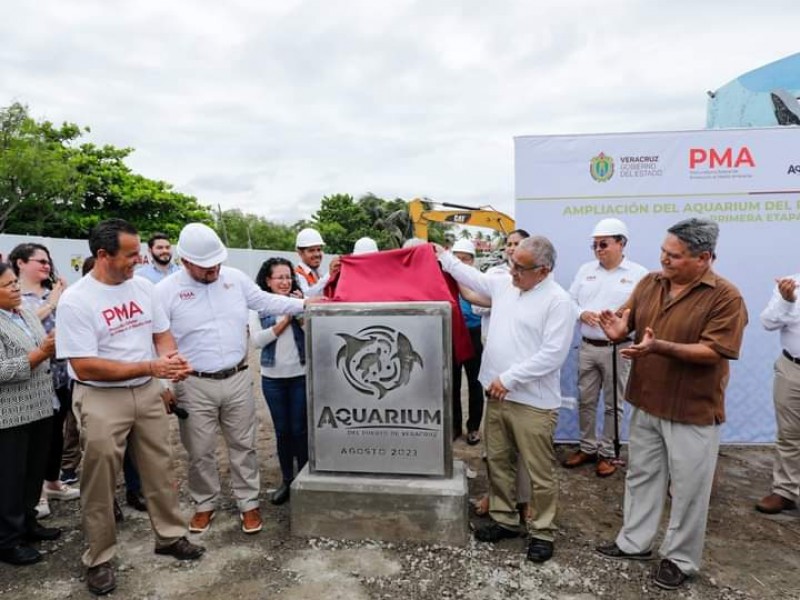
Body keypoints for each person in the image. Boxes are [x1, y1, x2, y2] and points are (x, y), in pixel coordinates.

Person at [594, 218, 747, 591]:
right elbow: (626, 323)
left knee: (690, 489)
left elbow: (715, 351)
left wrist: (660, 346)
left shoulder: (726, 297)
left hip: (692, 410)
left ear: (704, 258)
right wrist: (616, 331)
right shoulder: (650, 282)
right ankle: (634, 543)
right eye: (663, 251)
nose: (664, 259)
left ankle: (680, 559)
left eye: (674, 256)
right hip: (647, 401)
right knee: (642, 475)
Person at [56, 219, 205, 596]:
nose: (138, 260)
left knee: (160, 466)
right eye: (130, 254)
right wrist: (151, 366)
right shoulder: (77, 300)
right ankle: (99, 557)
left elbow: (160, 334)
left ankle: (170, 537)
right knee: (100, 478)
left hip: (148, 390)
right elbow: (84, 365)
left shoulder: (143, 288)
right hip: (100, 396)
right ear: (102, 255)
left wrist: (170, 364)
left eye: (138, 252)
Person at [156, 223, 306, 535]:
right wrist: (163, 385)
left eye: (217, 264)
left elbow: (268, 302)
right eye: (206, 267)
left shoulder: (234, 279)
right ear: (185, 262)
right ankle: (205, 504)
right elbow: (155, 339)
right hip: (193, 383)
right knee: (199, 450)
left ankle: (248, 503)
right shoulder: (165, 292)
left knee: (244, 445)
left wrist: (305, 304)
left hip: (237, 377)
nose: (214, 271)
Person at [436, 236, 575, 563]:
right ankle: (505, 519)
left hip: (532, 403)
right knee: (497, 460)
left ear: (543, 270)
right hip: (496, 396)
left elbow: (552, 355)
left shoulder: (558, 301)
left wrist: (509, 379)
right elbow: (472, 277)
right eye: (511, 263)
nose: (511, 272)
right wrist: (442, 255)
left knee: (538, 471)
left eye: (520, 268)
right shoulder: (506, 285)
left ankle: (542, 531)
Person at [564, 219, 648, 477]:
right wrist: (581, 313)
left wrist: (624, 316)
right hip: (588, 346)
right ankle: (587, 447)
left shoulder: (638, 274)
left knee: (614, 404)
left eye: (603, 244)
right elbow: (569, 300)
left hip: (618, 348)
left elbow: (644, 310)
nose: (598, 249)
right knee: (586, 400)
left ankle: (608, 454)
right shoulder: (585, 270)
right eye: (594, 245)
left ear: (621, 243)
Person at [8, 243, 80, 518]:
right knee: (34, 440)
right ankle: (35, 494)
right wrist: (53, 303)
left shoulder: (55, 292)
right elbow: (24, 324)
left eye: (48, 261)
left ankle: (53, 482)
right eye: (40, 261)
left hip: (61, 374)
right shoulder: (16, 297)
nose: (47, 266)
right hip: (30, 377)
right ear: (20, 263)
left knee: (55, 434)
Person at [0, 261, 60, 566]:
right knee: (9, 479)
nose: (16, 289)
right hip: (9, 415)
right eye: (8, 285)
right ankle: (8, 541)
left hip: (39, 406)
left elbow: (44, 346)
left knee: (33, 472)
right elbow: (2, 370)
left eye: (15, 283)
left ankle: (28, 523)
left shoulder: (23, 312)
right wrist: (41, 353)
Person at [250, 258, 307, 505]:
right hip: (273, 380)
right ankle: (288, 480)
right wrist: (285, 318)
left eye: (288, 277)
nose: (285, 282)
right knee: (283, 432)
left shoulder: (301, 303)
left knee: (301, 430)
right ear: (268, 281)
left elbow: (315, 333)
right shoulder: (257, 307)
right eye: (279, 277)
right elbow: (258, 341)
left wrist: (301, 312)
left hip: (300, 376)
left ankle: (306, 479)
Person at [755, 273, 800, 514]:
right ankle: (785, 491)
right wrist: (787, 301)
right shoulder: (790, 284)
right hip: (793, 368)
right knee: (789, 434)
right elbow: (768, 323)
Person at [450, 239, 484, 444]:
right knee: (452, 383)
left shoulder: (479, 280)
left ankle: (473, 428)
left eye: (465, 259)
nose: (461, 262)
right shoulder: (447, 279)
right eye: (457, 258)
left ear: (472, 261)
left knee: (475, 382)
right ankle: (455, 426)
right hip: (452, 335)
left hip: (473, 334)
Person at [295, 227, 339, 297]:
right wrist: (330, 274)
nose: (317, 254)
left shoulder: (318, 273)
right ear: (300, 253)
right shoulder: (297, 275)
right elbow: (308, 296)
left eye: (319, 249)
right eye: (311, 250)